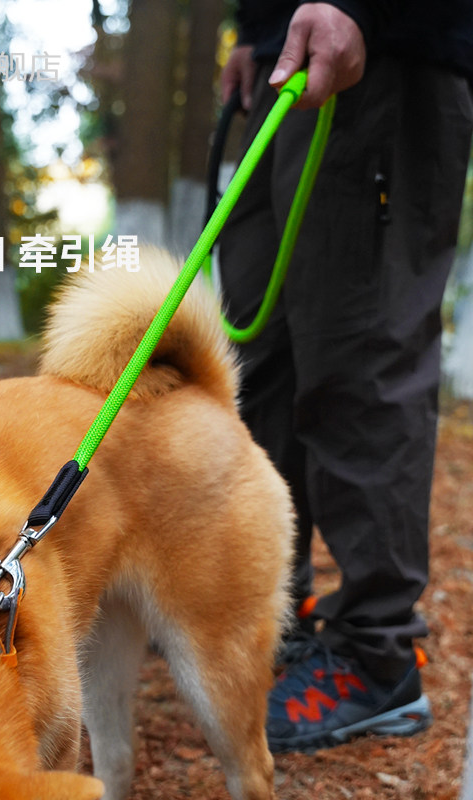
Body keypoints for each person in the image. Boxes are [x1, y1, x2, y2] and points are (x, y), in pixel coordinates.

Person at [219, 1, 473, 752]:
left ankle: (376, 654)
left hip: (383, 51)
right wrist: (254, 33)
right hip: (290, 57)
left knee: (359, 354)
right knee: (261, 356)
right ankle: (277, 610)